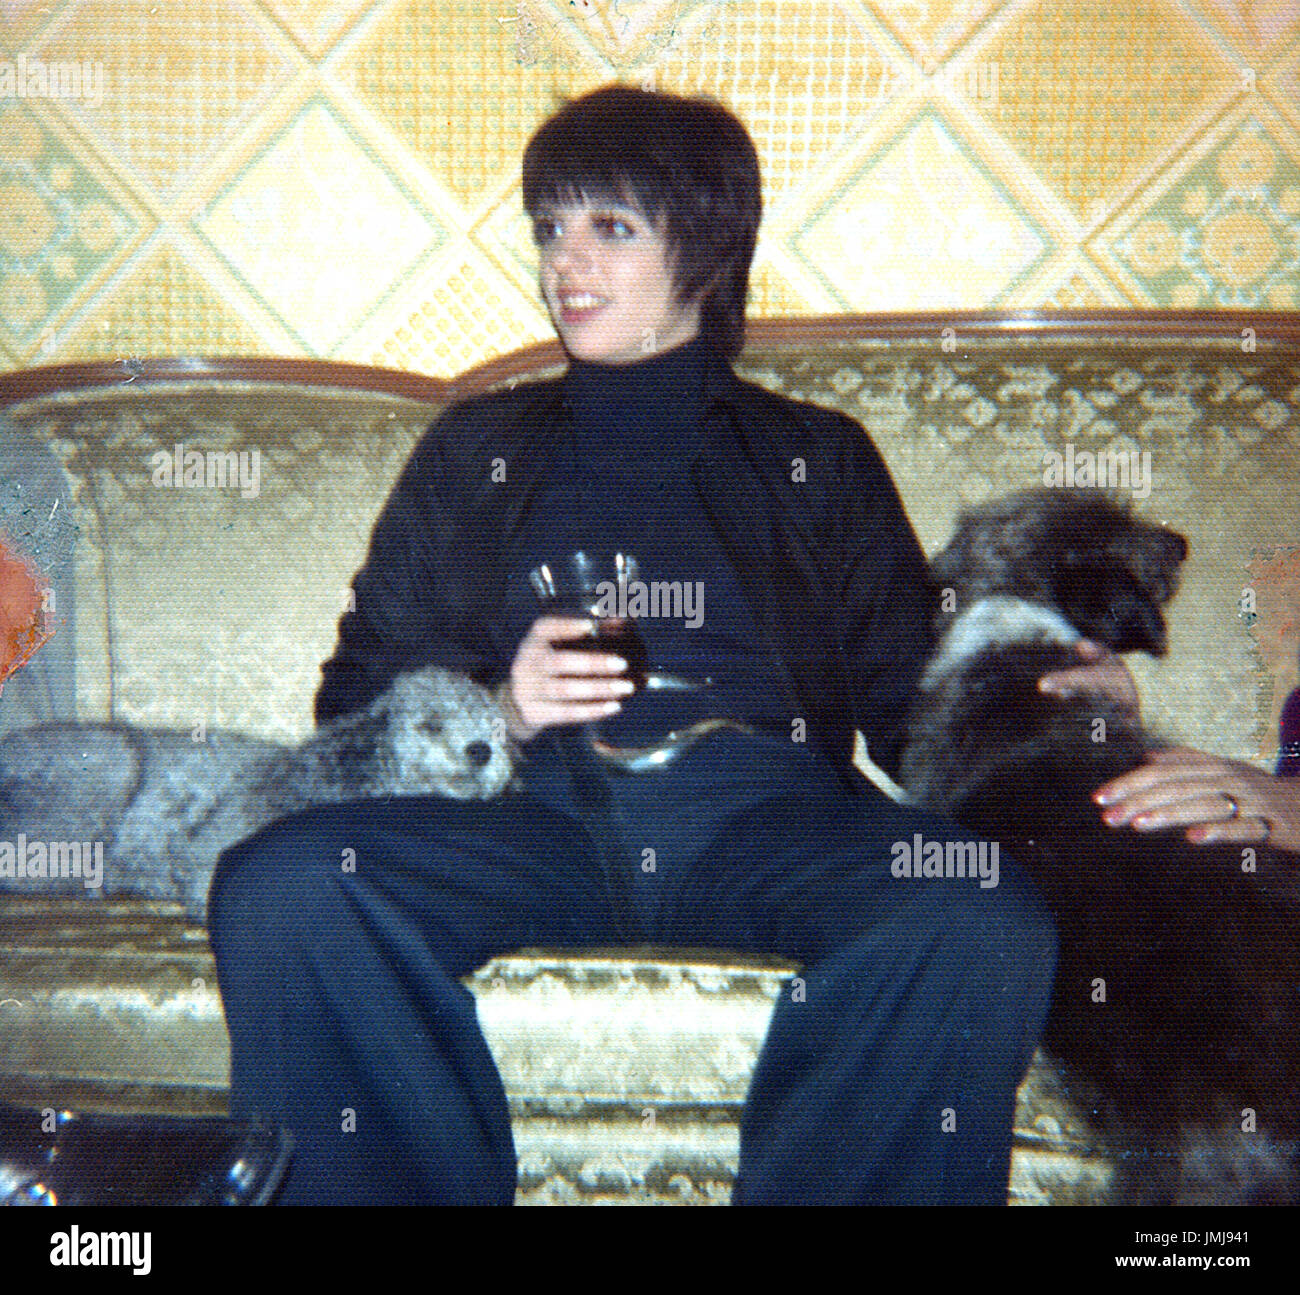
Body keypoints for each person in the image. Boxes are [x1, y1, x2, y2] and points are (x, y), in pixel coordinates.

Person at [209, 85, 1143, 1207]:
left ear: (704, 248)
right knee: (287, 880)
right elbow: (350, 700)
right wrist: (496, 712)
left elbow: (911, 704)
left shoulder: (815, 455)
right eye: (550, 226)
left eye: (611, 227)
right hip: (529, 816)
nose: (565, 262)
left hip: (767, 814)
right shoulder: (475, 451)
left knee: (970, 906)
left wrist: (1051, 704)